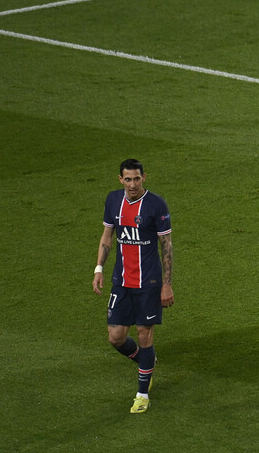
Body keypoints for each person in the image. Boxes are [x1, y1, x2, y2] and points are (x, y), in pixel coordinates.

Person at [92, 159, 174, 414]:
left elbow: (167, 246)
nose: (133, 184)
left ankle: (142, 394)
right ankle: (145, 363)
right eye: (127, 179)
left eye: (136, 179)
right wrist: (99, 269)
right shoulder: (113, 201)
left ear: (144, 178)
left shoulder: (156, 205)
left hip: (148, 283)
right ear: (120, 180)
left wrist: (167, 285)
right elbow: (107, 236)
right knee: (115, 337)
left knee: (144, 334)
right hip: (121, 281)